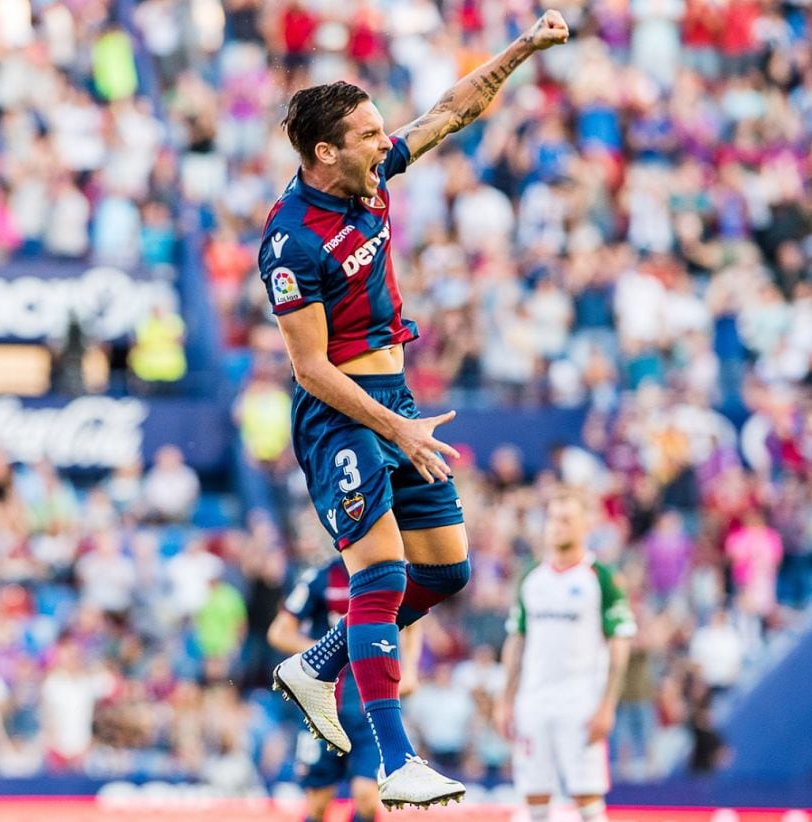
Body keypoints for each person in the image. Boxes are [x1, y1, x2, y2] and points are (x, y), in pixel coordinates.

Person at [260, 10, 571, 810]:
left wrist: (524, 48)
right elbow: (308, 367)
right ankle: (395, 761)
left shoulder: (372, 176)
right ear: (325, 151)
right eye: (368, 134)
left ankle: (317, 662)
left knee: (447, 570)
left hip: (395, 402)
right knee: (385, 571)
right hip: (342, 417)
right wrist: (389, 427)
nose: (384, 140)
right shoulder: (292, 240)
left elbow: (453, 109)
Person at [495, 488, 636, 822]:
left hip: (580, 702)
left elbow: (620, 644)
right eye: (553, 520)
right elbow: (517, 641)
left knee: (588, 800)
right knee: (535, 800)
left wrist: (607, 705)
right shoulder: (532, 577)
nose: (557, 527)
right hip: (534, 701)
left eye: (566, 519)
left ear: (585, 524)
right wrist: (506, 700)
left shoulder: (601, 578)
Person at [268, 557, 423, 822]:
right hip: (322, 709)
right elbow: (280, 632)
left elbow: (414, 623)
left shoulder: (392, 576)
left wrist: (409, 670)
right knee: (318, 802)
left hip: (370, 710)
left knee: (367, 797)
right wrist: (326, 651)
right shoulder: (319, 579)